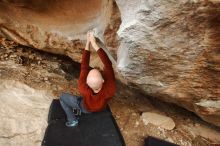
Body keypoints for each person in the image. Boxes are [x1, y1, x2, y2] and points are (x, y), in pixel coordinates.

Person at [59, 31, 116, 127]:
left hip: (85, 108)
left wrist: (88, 43)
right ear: (103, 80)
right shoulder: (110, 90)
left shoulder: (83, 88)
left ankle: (72, 120)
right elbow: (108, 64)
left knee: (62, 97)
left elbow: (84, 66)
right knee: (87, 99)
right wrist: (95, 44)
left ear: (87, 83)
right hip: (101, 106)